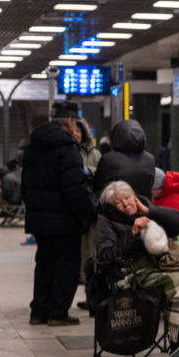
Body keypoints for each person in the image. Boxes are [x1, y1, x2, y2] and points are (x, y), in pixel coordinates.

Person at [96, 181, 179, 345]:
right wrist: (132, 233)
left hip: (158, 267)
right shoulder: (106, 220)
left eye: (127, 198)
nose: (125, 203)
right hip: (130, 272)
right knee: (178, 282)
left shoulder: (146, 211)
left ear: (134, 197)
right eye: (118, 202)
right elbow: (105, 256)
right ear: (112, 206)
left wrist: (150, 211)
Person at [22, 102, 97, 326]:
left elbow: (24, 184)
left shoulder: (32, 146)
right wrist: (87, 213)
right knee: (67, 265)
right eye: (75, 122)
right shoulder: (67, 148)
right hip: (64, 221)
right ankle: (57, 313)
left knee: (44, 263)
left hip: (39, 219)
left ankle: (38, 312)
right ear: (69, 121)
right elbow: (73, 189)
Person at [93, 119, 155, 201]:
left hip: (117, 209)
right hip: (144, 208)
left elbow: (98, 186)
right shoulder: (150, 158)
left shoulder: (108, 159)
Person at [75, 118, 102, 290]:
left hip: (90, 204)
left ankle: (86, 276)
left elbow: (101, 174)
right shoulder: (66, 151)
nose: (76, 134)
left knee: (89, 243)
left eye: (79, 131)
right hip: (72, 204)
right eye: (74, 131)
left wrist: (88, 171)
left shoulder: (95, 155)